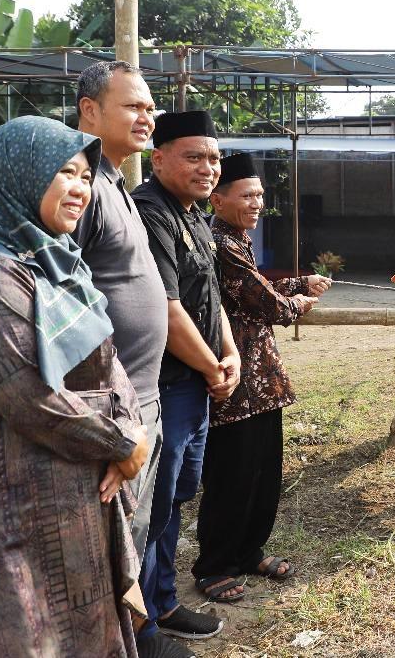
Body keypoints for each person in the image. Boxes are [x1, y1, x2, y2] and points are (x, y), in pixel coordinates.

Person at [0, 116, 150, 656]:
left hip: (74, 492)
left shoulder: (57, 264)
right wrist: (124, 443)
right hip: (10, 504)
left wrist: (130, 425)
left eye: (85, 175)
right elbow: (27, 394)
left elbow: (107, 356)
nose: (80, 188)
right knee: (25, 637)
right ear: (19, 177)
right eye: (63, 173)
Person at [73, 60, 177, 656]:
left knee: (132, 536)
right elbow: (64, 298)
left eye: (149, 107)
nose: (148, 116)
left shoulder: (114, 179)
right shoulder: (80, 184)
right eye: (134, 106)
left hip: (143, 396)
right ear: (90, 111)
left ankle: (132, 636)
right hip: (112, 406)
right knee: (107, 540)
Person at [192, 154, 328, 597]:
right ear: (217, 199)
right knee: (231, 476)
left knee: (262, 474)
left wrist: (298, 283)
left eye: (261, 196)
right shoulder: (219, 243)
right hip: (234, 382)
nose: (257, 204)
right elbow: (264, 303)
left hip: (261, 384)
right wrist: (297, 304)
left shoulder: (237, 241)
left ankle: (248, 552)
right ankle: (214, 566)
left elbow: (255, 288)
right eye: (247, 195)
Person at [134, 109, 242, 642]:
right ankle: (142, 620)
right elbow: (167, 309)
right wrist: (210, 364)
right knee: (153, 502)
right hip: (164, 384)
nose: (209, 167)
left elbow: (210, 296)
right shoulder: (148, 212)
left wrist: (229, 354)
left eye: (215, 158)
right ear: (158, 159)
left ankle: (165, 601)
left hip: (196, 380)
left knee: (177, 493)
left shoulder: (195, 214)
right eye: (194, 156)